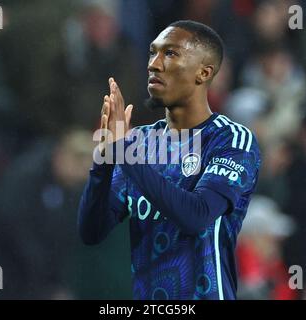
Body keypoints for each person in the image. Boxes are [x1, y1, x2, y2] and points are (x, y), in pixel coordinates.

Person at [78, 20, 261, 300]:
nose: (154, 64)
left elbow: (196, 216)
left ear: (203, 72)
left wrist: (125, 153)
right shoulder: (139, 143)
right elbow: (92, 231)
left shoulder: (231, 140)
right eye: (153, 53)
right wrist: (103, 161)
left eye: (171, 53)